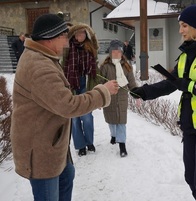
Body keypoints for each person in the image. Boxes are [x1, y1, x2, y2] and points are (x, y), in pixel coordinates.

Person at [130, 5, 196, 201]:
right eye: (180, 25)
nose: (180, 30)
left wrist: (189, 85)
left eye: (184, 25)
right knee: (191, 178)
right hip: (191, 125)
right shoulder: (187, 54)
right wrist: (145, 92)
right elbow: (172, 82)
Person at [10, 14, 119, 201]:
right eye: (64, 36)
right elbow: (68, 105)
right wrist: (103, 93)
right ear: (50, 38)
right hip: (41, 153)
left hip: (52, 145)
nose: (68, 42)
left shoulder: (44, 57)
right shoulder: (39, 66)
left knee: (67, 176)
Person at [64, 23, 100, 156]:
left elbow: (95, 40)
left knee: (87, 117)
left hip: (85, 83)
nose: (81, 36)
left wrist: (87, 27)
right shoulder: (67, 47)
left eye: (83, 33)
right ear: (74, 35)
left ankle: (89, 142)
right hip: (71, 84)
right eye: (78, 33)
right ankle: (80, 146)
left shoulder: (90, 47)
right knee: (74, 118)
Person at [99, 39, 137, 157]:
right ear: (110, 53)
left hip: (122, 97)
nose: (116, 54)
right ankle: (113, 135)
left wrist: (137, 94)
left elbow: (132, 83)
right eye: (114, 52)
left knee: (121, 121)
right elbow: (100, 82)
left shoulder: (126, 66)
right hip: (109, 97)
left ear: (122, 53)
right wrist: (99, 98)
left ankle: (122, 145)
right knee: (111, 120)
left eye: (118, 52)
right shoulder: (105, 66)